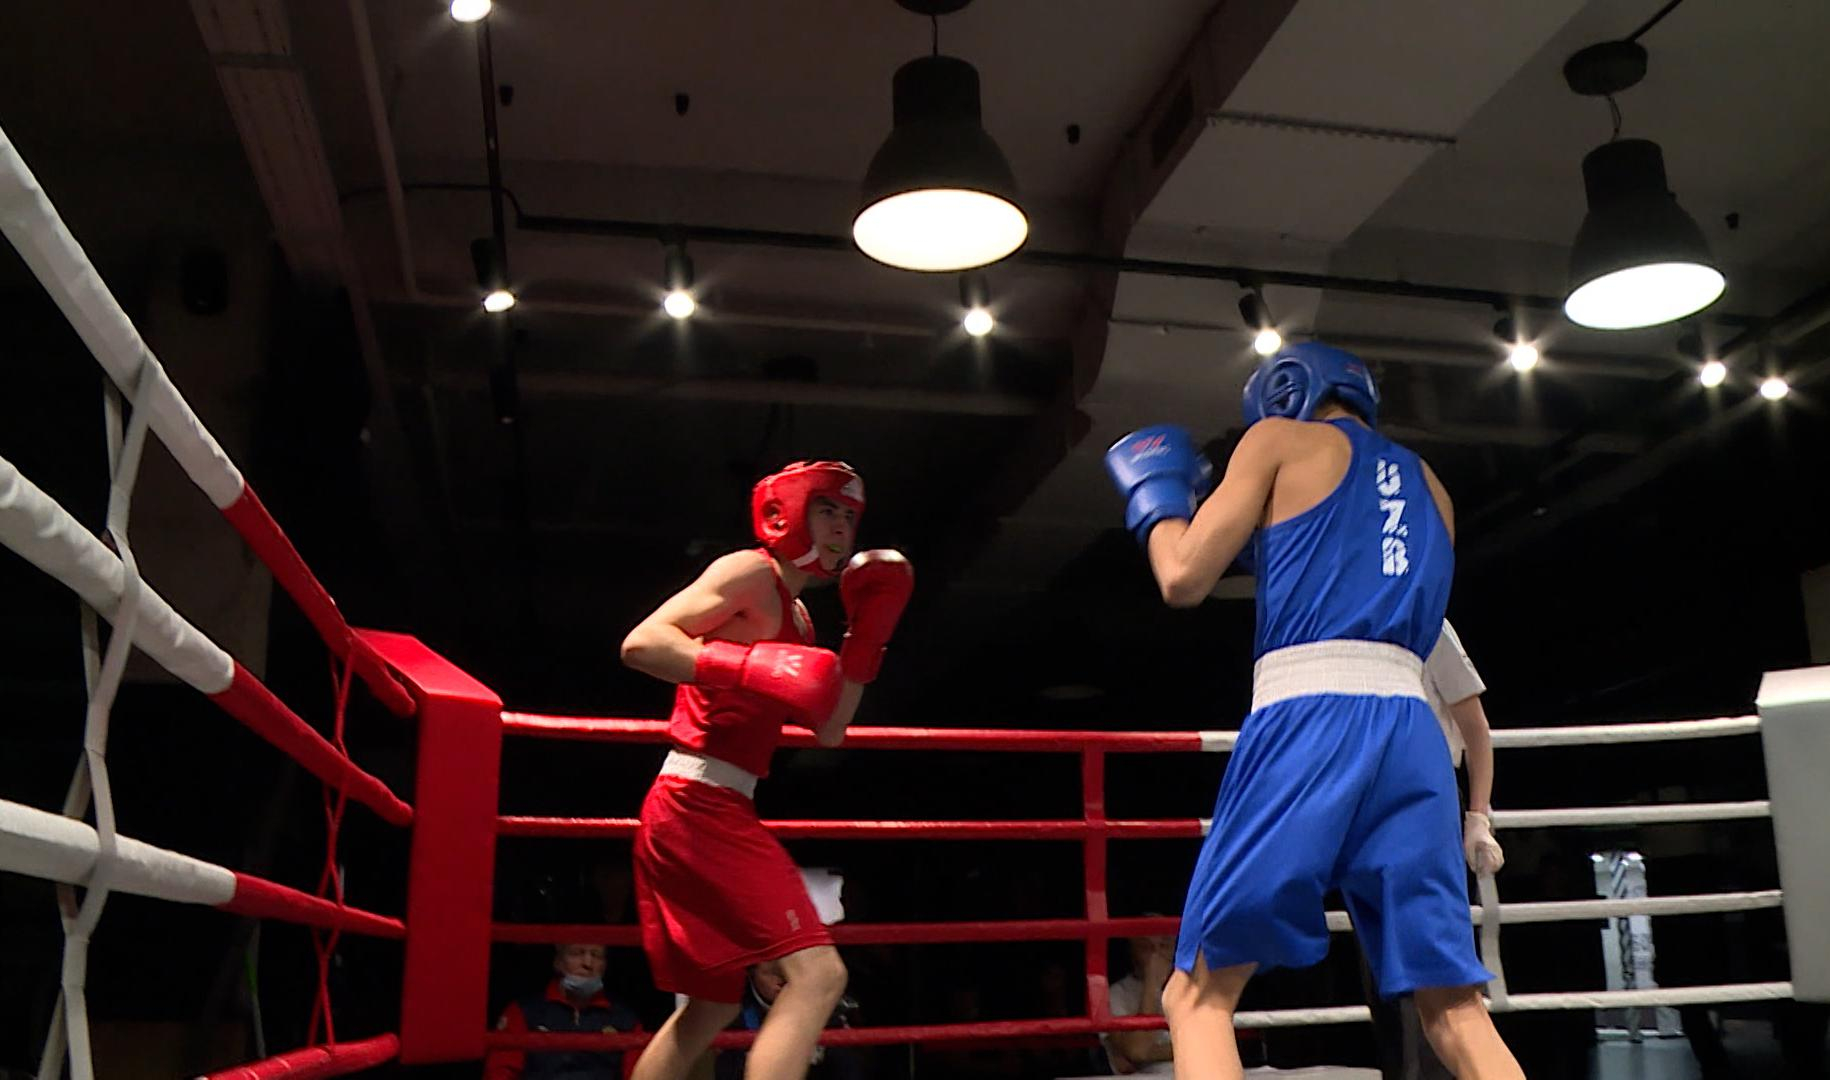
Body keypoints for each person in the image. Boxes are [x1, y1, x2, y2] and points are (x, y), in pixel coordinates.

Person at [1104, 342, 1524, 1080]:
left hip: (1310, 719)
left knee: (1195, 997)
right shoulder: (1432, 486)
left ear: (1285, 392)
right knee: (1455, 1010)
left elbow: (1181, 577)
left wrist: (1160, 501)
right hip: (1412, 737)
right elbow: (1342, 569)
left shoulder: (1277, 441)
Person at [618, 461, 914, 1080]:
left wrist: (864, 642)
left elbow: (829, 730)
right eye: (827, 510)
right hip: (694, 803)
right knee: (819, 975)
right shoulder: (747, 571)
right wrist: (747, 666)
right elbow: (642, 644)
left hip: (714, 805)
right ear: (787, 513)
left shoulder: (803, 621)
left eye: (849, 516)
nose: (841, 527)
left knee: (712, 1006)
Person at [1364, 620, 1503, 1080]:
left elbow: (1475, 730)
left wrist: (1478, 819)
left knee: (1436, 972)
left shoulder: (1430, 623)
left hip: (1427, 802)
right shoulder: (1347, 617)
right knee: (1383, 974)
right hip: (1365, 805)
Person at [485, 943, 643, 1080]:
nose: (588, 963)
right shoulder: (523, 1012)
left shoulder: (625, 1019)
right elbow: (501, 1073)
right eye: (577, 953)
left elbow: (639, 1075)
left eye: (596, 955)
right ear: (558, 961)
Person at [713, 959, 865, 1080]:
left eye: (789, 972)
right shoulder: (729, 1009)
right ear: (752, 972)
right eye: (772, 973)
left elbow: (849, 1070)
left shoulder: (828, 1004)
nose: (783, 980)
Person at [1102, 929, 1177, 1075]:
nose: (1156, 955)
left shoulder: (1188, 988)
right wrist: (1152, 985)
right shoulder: (1117, 994)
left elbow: (1209, 1046)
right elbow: (1138, 1051)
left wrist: (1152, 1053)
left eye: (1164, 945)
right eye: (1146, 947)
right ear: (1132, 950)